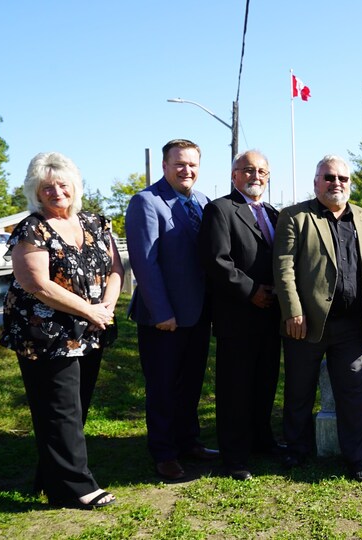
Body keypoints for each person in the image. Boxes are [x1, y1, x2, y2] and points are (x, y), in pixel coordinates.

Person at [1, 152, 123, 509]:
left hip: (91, 328)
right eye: (47, 187)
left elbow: (116, 269)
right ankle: (75, 488)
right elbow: (36, 283)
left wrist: (107, 307)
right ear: (36, 192)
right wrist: (89, 310)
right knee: (60, 409)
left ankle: (51, 478)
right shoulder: (32, 229)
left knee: (75, 406)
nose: (57, 192)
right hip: (46, 333)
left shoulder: (96, 223)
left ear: (75, 186)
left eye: (62, 184)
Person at [273, 154, 362, 482]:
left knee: (354, 393)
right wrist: (293, 311)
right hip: (307, 323)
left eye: (342, 178)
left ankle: (358, 458)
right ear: (316, 183)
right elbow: (283, 267)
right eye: (329, 177)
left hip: (352, 324)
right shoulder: (295, 217)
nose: (336, 183)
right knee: (299, 389)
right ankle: (297, 448)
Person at [126, 139, 218, 481]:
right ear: (165, 166)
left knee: (191, 384)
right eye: (179, 164)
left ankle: (188, 441)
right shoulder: (146, 202)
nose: (186, 170)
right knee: (163, 387)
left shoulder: (203, 202)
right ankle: (164, 452)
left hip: (198, 313)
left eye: (192, 164)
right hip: (163, 318)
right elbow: (145, 263)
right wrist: (162, 311)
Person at [198, 150, 282, 481]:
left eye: (261, 171)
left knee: (265, 382)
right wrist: (251, 291)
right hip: (238, 316)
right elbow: (216, 260)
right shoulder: (220, 210)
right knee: (236, 389)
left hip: (271, 315)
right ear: (234, 175)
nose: (255, 176)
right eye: (248, 170)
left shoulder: (273, 213)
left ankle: (262, 440)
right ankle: (234, 456)